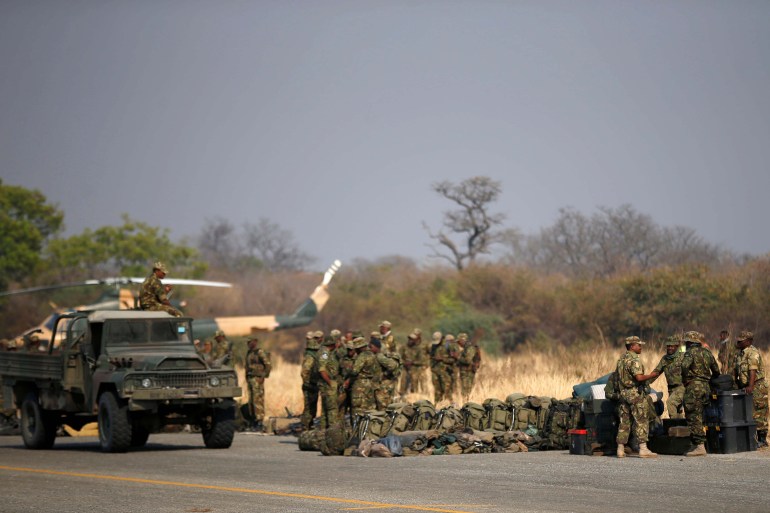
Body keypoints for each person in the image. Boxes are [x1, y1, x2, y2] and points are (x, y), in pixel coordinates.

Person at [615, 336, 659, 458]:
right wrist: (651, 375)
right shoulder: (634, 360)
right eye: (639, 345)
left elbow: (616, 378)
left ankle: (620, 449)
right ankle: (643, 449)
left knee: (624, 421)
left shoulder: (621, 359)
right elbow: (639, 378)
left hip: (623, 394)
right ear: (632, 346)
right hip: (634, 394)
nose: (641, 347)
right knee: (641, 420)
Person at [680, 331, 720, 457]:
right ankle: (699, 443)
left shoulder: (690, 353)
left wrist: (686, 379)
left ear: (690, 342)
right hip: (705, 387)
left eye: (687, 342)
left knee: (693, 415)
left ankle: (700, 445)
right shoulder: (707, 352)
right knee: (701, 414)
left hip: (694, 387)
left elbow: (684, 366)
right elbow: (716, 370)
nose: (686, 344)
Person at [733, 330, 768, 448]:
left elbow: (752, 370)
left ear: (748, 341)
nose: (738, 342)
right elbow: (735, 370)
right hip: (746, 386)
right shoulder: (739, 354)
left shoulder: (753, 353)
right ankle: (751, 439)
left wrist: (751, 386)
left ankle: (763, 440)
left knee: (759, 412)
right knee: (748, 413)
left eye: (741, 340)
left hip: (757, 385)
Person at [344, 336, 380, 418]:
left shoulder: (362, 356)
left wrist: (348, 373)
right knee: (368, 407)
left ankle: (357, 429)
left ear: (359, 348)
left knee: (357, 409)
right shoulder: (372, 355)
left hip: (360, 385)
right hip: (370, 384)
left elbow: (354, 371)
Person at [651, 335, 686, 419]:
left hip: (682, 387)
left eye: (672, 346)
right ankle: (682, 428)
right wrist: (645, 382)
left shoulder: (682, 356)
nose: (669, 348)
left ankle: (674, 426)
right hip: (671, 389)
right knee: (677, 411)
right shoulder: (665, 359)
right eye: (668, 346)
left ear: (676, 346)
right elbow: (656, 372)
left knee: (670, 403)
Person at [245, 337, 271, 432]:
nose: (249, 344)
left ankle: (259, 421)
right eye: (248, 342)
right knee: (251, 400)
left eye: (250, 342)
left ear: (255, 342)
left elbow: (268, 364)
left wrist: (263, 377)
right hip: (250, 378)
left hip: (257, 378)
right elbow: (246, 366)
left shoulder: (260, 352)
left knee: (258, 400)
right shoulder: (249, 352)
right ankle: (253, 421)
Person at [317, 334, 341, 430]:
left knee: (325, 411)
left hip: (325, 385)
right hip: (327, 385)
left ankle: (323, 432)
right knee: (332, 410)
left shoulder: (325, 351)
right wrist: (330, 382)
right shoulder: (325, 353)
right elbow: (322, 369)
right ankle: (332, 433)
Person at [300, 331, 322, 430]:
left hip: (313, 384)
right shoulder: (310, 357)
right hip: (310, 386)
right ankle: (305, 427)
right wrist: (308, 383)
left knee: (312, 407)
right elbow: (305, 371)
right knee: (309, 408)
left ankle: (308, 425)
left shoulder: (311, 355)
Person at [373, 333, 401, 409]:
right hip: (383, 382)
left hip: (386, 382)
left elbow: (393, 365)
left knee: (385, 404)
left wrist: (385, 374)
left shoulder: (382, 351)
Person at [430, 331, 451, 403]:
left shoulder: (448, 345)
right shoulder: (433, 346)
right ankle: (437, 405)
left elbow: (455, 359)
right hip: (435, 371)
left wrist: (442, 359)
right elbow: (431, 357)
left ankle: (449, 406)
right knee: (437, 391)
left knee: (446, 390)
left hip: (445, 372)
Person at [456, 333, 478, 400]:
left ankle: (466, 404)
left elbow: (468, 360)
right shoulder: (465, 349)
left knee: (466, 392)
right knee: (464, 391)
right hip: (465, 373)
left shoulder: (470, 348)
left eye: (459, 342)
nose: (458, 344)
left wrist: (458, 357)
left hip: (468, 373)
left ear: (462, 340)